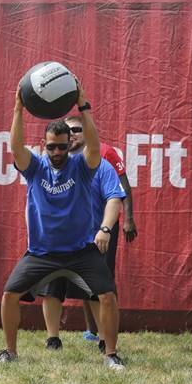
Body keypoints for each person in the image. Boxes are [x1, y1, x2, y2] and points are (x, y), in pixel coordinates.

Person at [0, 83, 125, 370]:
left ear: (69, 145)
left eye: (61, 146)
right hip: (42, 251)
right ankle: (10, 351)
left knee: (107, 295)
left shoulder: (81, 166)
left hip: (81, 250)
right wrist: (18, 108)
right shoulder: (35, 168)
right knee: (9, 294)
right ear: (44, 146)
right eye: (51, 146)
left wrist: (84, 106)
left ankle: (111, 354)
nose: (56, 151)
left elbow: (93, 146)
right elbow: (16, 147)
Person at [41, 115, 135, 352]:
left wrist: (124, 221)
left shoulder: (104, 155)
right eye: (67, 130)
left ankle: (103, 337)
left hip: (96, 233)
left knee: (97, 287)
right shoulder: (54, 160)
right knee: (54, 286)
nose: (71, 134)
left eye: (76, 129)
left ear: (88, 131)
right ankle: (54, 338)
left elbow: (120, 191)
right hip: (60, 235)